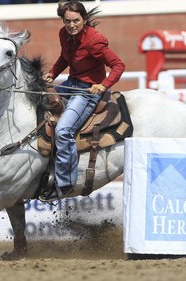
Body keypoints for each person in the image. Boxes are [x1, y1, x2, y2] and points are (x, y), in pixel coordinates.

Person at [39, 0, 125, 202]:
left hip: (88, 92)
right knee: (39, 100)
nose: (71, 25)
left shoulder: (95, 41)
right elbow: (64, 58)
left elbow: (118, 65)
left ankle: (65, 183)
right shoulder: (64, 34)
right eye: (67, 21)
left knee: (63, 130)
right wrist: (52, 73)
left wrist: (103, 85)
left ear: (84, 20)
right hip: (71, 83)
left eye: (76, 21)